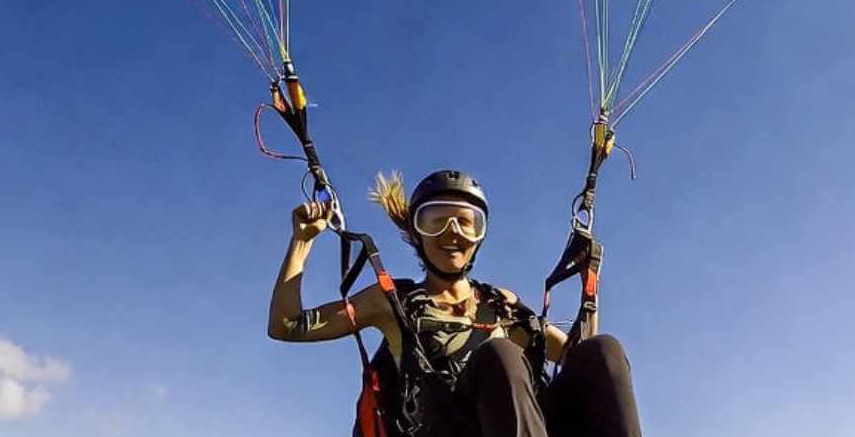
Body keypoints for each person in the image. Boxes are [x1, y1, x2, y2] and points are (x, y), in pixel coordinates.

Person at [267, 169, 643, 437]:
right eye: (436, 221)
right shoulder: (392, 302)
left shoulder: (502, 304)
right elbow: (287, 326)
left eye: (467, 223)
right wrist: (302, 242)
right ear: (417, 234)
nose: (453, 233)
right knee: (501, 356)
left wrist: (588, 285)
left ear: (479, 236)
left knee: (604, 350)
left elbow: (582, 364)